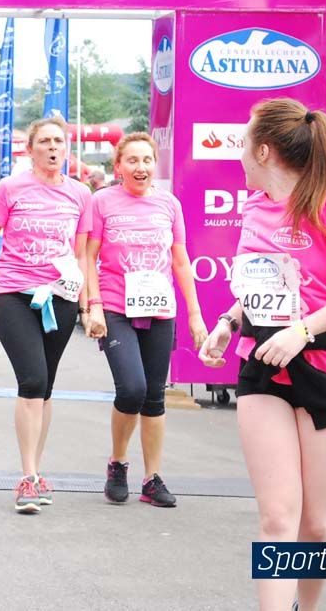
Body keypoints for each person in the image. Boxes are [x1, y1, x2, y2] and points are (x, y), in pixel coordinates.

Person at [199, 99, 326, 610]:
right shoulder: (254, 206)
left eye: (243, 142)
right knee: (278, 517)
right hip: (263, 367)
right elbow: (261, 286)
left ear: (263, 150)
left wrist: (302, 331)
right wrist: (228, 322)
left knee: (315, 525)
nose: (238, 153)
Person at [84, 132, 206, 509]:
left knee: (154, 395)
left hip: (159, 308)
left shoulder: (169, 204)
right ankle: (117, 463)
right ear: (118, 167)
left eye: (147, 160)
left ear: (155, 165)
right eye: (132, 160)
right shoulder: (102, 201)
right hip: (116, 306)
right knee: (132, 389)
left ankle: (152, 478)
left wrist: (195, 315)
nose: (141, 167)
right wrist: (92, 305)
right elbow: (88, 256)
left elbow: (180, 260)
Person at [0, 116, 91, 513]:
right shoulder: (9, 189)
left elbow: (81, 255)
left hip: (61, 296)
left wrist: (88, 306)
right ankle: (27, 477)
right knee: (31, 379)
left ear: (67, 149)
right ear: (30, 150)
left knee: (45, 386)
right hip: (14, 294)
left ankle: (36, 468)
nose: (52, 147)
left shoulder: (80, 194)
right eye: (44, 141)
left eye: (58, 141)